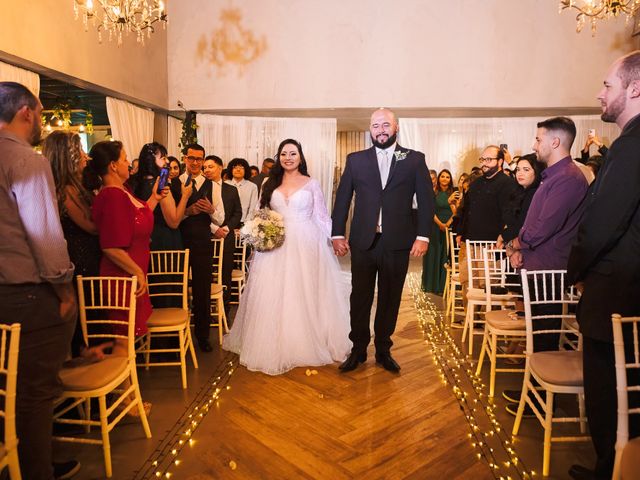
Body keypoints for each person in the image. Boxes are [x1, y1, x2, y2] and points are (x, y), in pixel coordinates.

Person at [0, 81, 79, 480]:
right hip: (26, 295)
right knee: (33, 394)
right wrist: (65, 290)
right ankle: (36, 470)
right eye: (41, 112)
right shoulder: (27, 161)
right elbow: (45, 236)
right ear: (26, 112)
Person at [567, 51, 640, 480]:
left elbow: (600, 224)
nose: (599, 94)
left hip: (616, 292)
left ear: (634, 88)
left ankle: (610, 471)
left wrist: (575, 271)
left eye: (607, 85)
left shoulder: (630, 146)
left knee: (609, 397)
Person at [223, 139, 352, 375]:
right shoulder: (269, 184)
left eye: (293, 153)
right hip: (277, 244)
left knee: (304, 291)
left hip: (306, 242)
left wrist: (336, 238)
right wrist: (259, 233)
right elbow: (261, 214)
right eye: (284, 154)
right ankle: (276, 343)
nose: (288, 157)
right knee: (276, 293)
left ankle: (308, 339)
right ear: (279, 157)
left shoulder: (312, 184)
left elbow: (322, 216)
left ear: (300, 157)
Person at [332, 108, 434, 373]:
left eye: (385, 125)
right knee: (360, 298)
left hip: (397, 242)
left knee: (390, 298)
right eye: (375, 125)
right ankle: (358, 350)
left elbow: (426, 201)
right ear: (370, 129)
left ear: (396, 127)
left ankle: (384, 350)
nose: (380, 130)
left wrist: (423, 236)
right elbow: (342, 199)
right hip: (363, 242)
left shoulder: (413, 159)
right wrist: (337, 233)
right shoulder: (356, 160)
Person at [43, 130, 105, 359]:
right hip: (81, 258)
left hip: (86, 254)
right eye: (79, 151)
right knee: (90, 315)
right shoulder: (66, 191)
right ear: (67, 157)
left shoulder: (75, 186)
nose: (85, 156)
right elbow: (92, 226)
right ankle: (93, 372)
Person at [177, 144, 224, 352]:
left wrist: (212, 210)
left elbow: (220, 218)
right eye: (191, 158)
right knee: (177, 288)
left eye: (199, 159)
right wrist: (188, 210)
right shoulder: (175, 182)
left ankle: (203, 336)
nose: (195, 163)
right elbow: (169, 218)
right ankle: (177, 332)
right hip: (177, 240)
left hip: (202, 241)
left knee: (202, 289)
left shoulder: (212, 185)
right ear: (185, 159)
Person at [128, 142, 192, 251]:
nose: (167, 161)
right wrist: (185, 196)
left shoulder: (134, 181)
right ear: (151, 160)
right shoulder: (160, 183)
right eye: (163, 158)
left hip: (144, 238)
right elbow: (174, 222)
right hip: (163, 240)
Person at [204, 155, 242, 315]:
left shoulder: (231, 189)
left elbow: (237, 213)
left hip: (226, 238)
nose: (206, 170)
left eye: (210, 166)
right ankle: (207, 311)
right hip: (206, 236)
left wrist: (226, 229)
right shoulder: (201, 187)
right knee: (206, 275)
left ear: (220, 167)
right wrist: (214, 229)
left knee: (225, 273)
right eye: (204, 167)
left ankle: (223, 311)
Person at [497, 154, 544, 249]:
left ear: (537, 172)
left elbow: (524, 225)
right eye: (518, 169)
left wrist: (503, 236)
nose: (520, 173)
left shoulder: (534, 194)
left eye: (526, 170)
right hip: (517, 246)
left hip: (529, 249)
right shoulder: (519, 191)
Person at [422, 169, 454, 294]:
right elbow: (429, 210)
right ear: (438, 178)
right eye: (442, 176)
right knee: (433, 254)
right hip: (435, 226)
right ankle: (431, 285)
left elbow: (456, 211)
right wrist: (440, 224)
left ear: (450, 179)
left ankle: (443, 286)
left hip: (449, 227)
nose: (445, 179)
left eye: (447, 177)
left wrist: (448, 224)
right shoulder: (432, 192)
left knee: (445, 255)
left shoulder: (454, 192)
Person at [226, 157, 258, 225]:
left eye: (241, 167)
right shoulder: (225, 184)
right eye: (235, 167)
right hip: (226, 222)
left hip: (244, 222)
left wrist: (246, 225)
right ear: (230, 170)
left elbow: (253, 208)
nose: (238, 169)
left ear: (246, 170)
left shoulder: (252, 187)